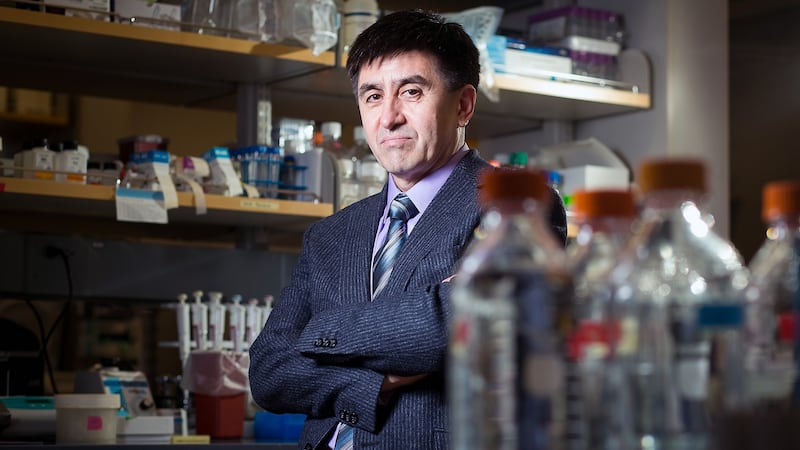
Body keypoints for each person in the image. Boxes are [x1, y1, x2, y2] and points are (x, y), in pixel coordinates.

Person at [249, 9, 567, 450]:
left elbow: (454, 328)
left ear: (463, 105)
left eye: (412, 92)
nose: (389, 117)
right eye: (373, 96)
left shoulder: (515, 205)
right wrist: (378, 380)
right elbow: (268, 373)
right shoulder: (330, 235)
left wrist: (321, 332)